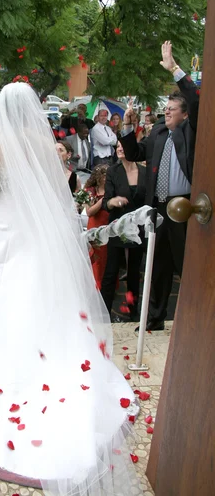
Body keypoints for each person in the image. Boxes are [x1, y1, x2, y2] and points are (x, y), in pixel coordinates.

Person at [0, 82, 138, 496]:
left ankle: (2, 354)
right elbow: (55, 188)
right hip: (35, 227)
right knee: (37, 290)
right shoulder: (44, 140)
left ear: (2, 109)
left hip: (4, 224)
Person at [119, 41, 199, 331]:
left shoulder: (191, 130)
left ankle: (193, 322)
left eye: (172, 109)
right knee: (157, 266)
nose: (166, 113)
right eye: (165, 109)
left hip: (185, 207)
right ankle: (154, 318)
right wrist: (127, 128)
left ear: (185, 113)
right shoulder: (158, 134)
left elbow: (197, 99)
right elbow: (133, 154)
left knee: (187, 267)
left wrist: (174, 68)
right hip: (158, 207)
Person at [100, 143, 146, 321]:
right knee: (111, 272)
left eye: (122, 145)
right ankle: (104, 314)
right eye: (117, 145)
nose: (119, 148)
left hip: (138, 228)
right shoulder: (113, 171)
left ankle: (134, 313)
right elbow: (106, 202)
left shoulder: (144, 172)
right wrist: (113, 202)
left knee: (134, 273)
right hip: (117, 226)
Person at [84, 165, 110, 290]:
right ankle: (95, 285)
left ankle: (105, 284)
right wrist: (103, 200)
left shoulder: (112, 189)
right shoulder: (90, 190)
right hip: (94, 225)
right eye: (104, 176)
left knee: (106, 257)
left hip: (108, 225)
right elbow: (89, 212)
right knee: (95, 256)